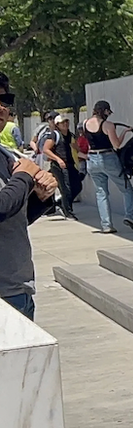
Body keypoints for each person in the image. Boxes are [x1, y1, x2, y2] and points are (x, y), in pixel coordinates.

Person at [0, 92, 58, 321]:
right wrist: (25, 176)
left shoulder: (5, 154)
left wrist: (40, 198)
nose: (2, 108)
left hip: (17, 289)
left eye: (5, 103)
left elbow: (13, 217)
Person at [83, 101, 133, 234]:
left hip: (91, 160)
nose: (109, 114)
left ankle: (106, 225)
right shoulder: (108, 125)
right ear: (104, 111)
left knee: (101, 193)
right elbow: (117, 145)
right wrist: (125, 132)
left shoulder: (85, 123)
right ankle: (129, 216)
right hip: (107, 157)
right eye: (108, 111)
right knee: (127, 188)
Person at [41, 114, 78, 220]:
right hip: (59, 166)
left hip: (71, 164)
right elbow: (46, 149)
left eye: (66, 121)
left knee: (77, 186)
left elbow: (76, 148)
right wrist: (58, 159)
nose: (65, 124)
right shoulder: (54, 135)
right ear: (57, 125)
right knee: (65, 188)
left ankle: (62, 203)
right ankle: (68, 212)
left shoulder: (70, 135)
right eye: (62, 122)